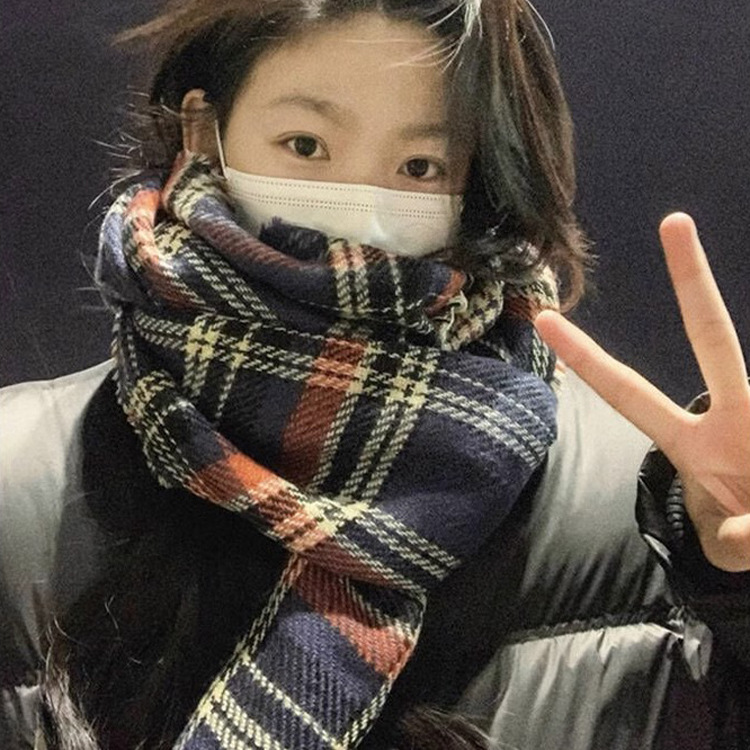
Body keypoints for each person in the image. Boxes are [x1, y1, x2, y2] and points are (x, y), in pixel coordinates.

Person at [1, 1, 748, 748]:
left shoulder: (642, 510)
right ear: (203, 132)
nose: (356, 219)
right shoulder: (17, 480)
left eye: (419, 166)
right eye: (305, 144)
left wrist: (737, 598)